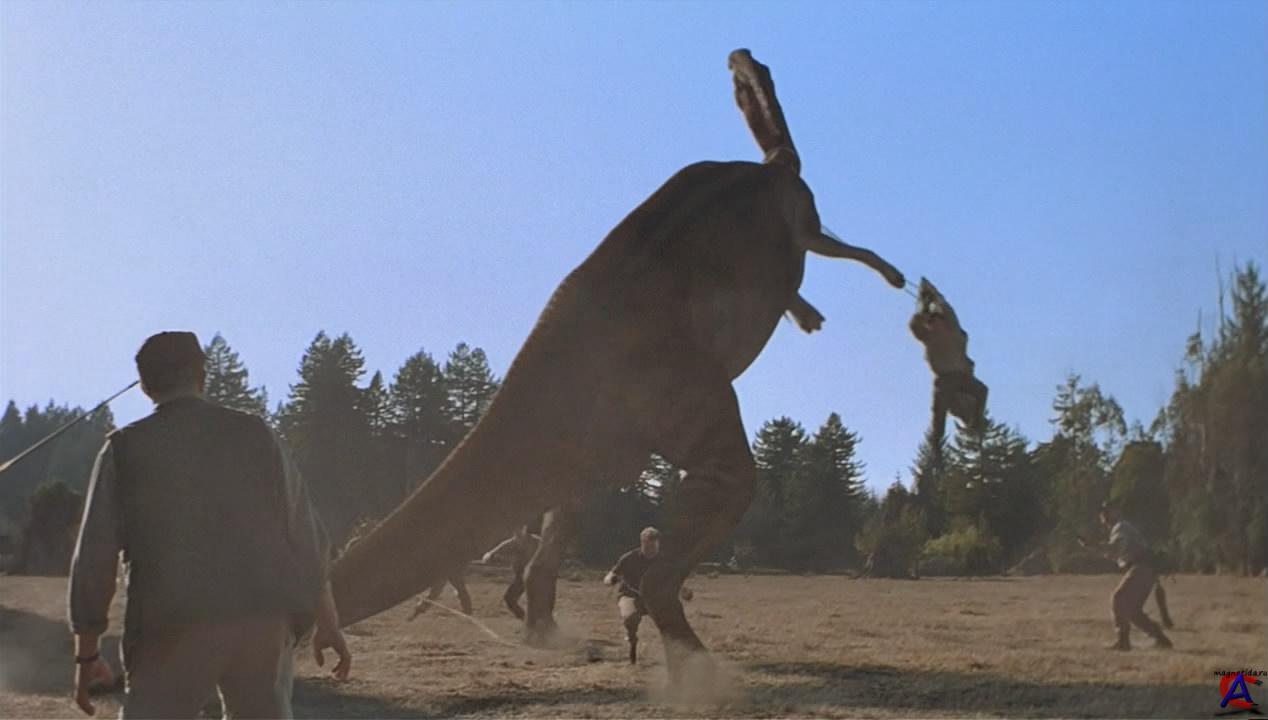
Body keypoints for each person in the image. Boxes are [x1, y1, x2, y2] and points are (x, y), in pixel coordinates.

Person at [68, 331, 351, 719]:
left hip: (169, 625)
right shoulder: (258, 436)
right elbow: (305, 534)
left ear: (145, 386)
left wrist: (86, 655)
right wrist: (328, 621)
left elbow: (94, 557)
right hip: (261, 620)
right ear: (202, 375)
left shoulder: (124, 449)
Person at [1079, 500, 1173, 651]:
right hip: (1146, 570)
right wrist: (1094, 547)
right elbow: (1115, 553)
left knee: (1119, 599)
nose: (1103, 515)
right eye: (1103, 512)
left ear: (1116, 512)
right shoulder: (1121, 528)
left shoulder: (1121, 527)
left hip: (1141, 568)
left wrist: (1093, 545)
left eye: (1107, 511)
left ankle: (1123, 642)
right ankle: (1161, 640)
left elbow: (1116, 549)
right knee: (1133, 611)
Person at [604, 527, 661, 665]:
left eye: (653, 547)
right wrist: (611, 580)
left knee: (671, 619)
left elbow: (672, 580)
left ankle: (678, 651)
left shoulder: (663, 560)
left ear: (658, 544)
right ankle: (631, 638)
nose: (650, 551)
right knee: (631, 618)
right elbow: (611, 575)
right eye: (647, 546)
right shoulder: (629, 558)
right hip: (628, 595)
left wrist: (683, 591)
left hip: (652, 598)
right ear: (642, 543)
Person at [482, 525, 541, 620]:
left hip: (535, 575)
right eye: (515, 531)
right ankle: (526, 621)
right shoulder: (514, 542)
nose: (516, 533)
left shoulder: (536, 542)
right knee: (510, 599)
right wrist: (490, 554)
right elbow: (499, 548)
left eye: (519, 530)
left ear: (525, 529)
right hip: (522, 576)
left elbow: (548, 552)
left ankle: (533, 623)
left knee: (532, 601)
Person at [407, 569, 474, 619]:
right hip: (446, 569)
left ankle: (468, 611)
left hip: (448, 568)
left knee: (460, 589)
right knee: (435, 593)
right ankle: (468, 611)